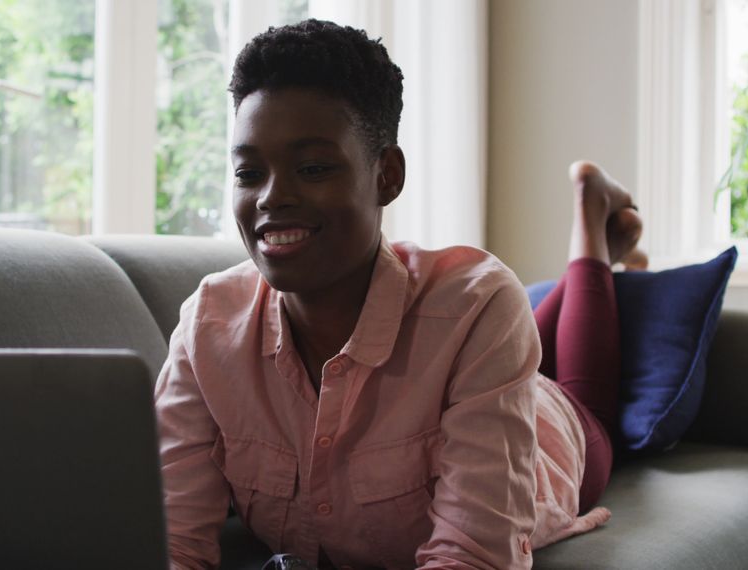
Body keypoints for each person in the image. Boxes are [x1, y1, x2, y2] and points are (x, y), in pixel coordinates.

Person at [154, 19, 643, 570]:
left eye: (312, 168)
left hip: (551, 431)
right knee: (510, 324)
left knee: (590, 399)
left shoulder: (478, 304)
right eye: (248, 172)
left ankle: (594, 228)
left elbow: (472, 557)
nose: (272, 197)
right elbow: (170, 544)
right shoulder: (207, 330)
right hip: (482, 348)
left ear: (387, 175)